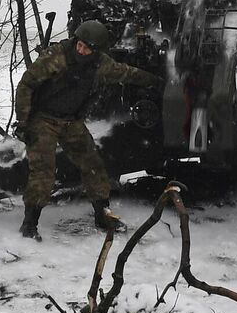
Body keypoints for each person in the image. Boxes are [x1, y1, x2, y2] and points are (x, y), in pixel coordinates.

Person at [13, 19, 162, 240]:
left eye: (87, 48)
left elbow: (125, 73)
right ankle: (29, 224)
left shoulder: (101, 64)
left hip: (70, 121)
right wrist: (23, 122)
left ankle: (103, 214)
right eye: (79, 45)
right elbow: (27, 84)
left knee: (93, 164)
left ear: (96, 51)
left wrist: (155, 81)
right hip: (43, 118)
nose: (81, 50)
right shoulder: (56, 57)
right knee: (43, 171)